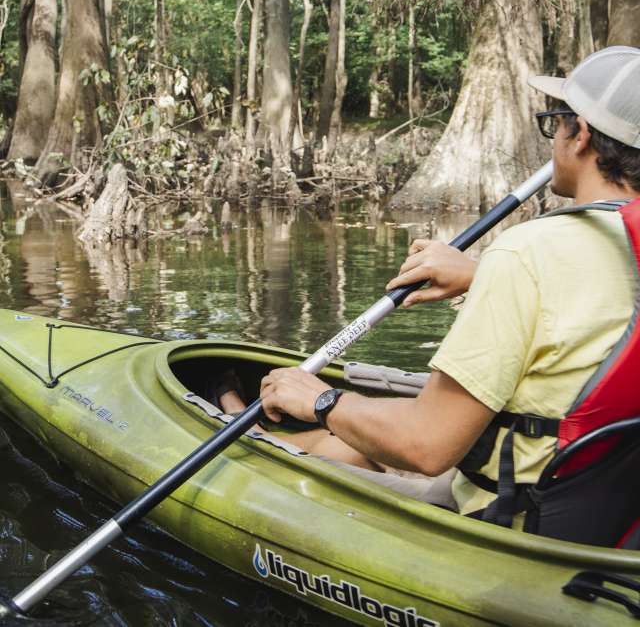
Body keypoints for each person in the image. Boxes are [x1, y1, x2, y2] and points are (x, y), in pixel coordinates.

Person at [219, 45, 640, 527]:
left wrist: (319, 399)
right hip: (599, 502)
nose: (552, 137)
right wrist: (481, 276)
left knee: (334, 446)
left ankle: (238, 416)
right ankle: (243, 413)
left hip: (519, 518)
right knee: (358, 443)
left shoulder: (528, 252)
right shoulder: (602, 249)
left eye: (555, 122)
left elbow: (426, 446)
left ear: (580, 136)